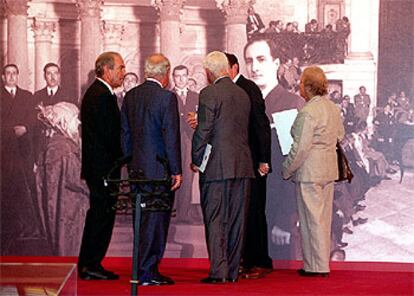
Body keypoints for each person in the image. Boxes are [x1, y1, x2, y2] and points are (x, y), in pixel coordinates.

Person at [191, 51, 254, 284]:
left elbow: (203, 131)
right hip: (242, 164)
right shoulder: (243, 94)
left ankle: (218, 272)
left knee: (215, 218)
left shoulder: (209, 93)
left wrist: (196, 159)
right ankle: (233, 271)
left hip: (217, 165)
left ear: (208, 72)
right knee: (237, 220)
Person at [121, 53, 182, 286]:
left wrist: (130, 162)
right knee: (157, 221)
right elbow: (171, 137)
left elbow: (124, 133)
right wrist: (176, 170)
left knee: (141, 220)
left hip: (137, 169)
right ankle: (148, 272)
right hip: (159, 171)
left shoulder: (131, 96)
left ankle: (141, 269)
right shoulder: (166, 98)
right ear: (165, 73)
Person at [244, 37, 305, 260]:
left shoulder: (288, 103)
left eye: (261, 59)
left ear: (276, 63)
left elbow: (293, 165)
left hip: (276, 211)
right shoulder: (245, 103)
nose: (255, 67)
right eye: (249, 61)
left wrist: (285, 218)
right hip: (249, 212)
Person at [282, 66, 345, 277]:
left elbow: (299, 148)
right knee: (323, 220)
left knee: (311, 221)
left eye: (301, 82)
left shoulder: (308, 112)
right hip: (328, 169)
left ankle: (317, 267)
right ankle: (316, 264)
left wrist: (286, 170)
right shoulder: (333, 108)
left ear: (308, 86)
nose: (299, 86)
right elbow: (340, 136)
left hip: (309, 172)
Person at [78, 51, 125, 280]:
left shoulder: (100, 93)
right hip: (103, 168)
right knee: (100, 215)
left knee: (101, 214)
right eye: (120, 68)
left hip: (101, 167)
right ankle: (90, 265)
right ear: (107, 70)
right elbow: (110, 135)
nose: (123, 73)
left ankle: (90, 263)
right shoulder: (101, 95)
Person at [225, 53, 272, 279]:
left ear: (234, 68)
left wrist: (263, 160)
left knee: (254, 212)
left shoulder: (248, 88)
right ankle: (244, 259)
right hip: (238, 162)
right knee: (241, 213)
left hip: (254, 163)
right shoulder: (230, 89)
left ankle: (260, 261)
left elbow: (261, 126)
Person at [36, 102, 89, 256]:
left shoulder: (54, 145)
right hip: (70, 214)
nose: (79, 122)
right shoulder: (64, 149)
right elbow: (79, 180)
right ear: (64, 121)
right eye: (75, 118)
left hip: (60, 211)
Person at [1, 64, 40, 254]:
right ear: (3, 77)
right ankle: (9, 229)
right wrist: (10, 131)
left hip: (24, 148)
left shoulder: (27, 96)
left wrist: (25, 127)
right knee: (7, 188)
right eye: (7, 74)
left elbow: (33, 118)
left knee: (26, 186)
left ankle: (28, 228)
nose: (11, 77)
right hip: (4, 149)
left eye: (14, 73)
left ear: (18, 76)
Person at [171, 64, 201, 224]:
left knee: (188, 176)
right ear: (173, 78)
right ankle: (173, 210)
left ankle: (184, 212)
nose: (181, 79)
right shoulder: (168, 96)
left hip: (190, 139)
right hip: (173, 140)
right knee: (173, 174)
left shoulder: (196, 97)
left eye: (183, 75)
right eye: (177, 76)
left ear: (188, 77)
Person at [33, 63, 72, 164]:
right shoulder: (37, 95)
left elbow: (72, 119)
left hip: (61, 143)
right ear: (44, 76)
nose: (52, 76)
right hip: (41, 142)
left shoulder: (68, 95)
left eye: (55, 73)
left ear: (59, 75)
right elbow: (33, 119)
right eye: (49, 73)